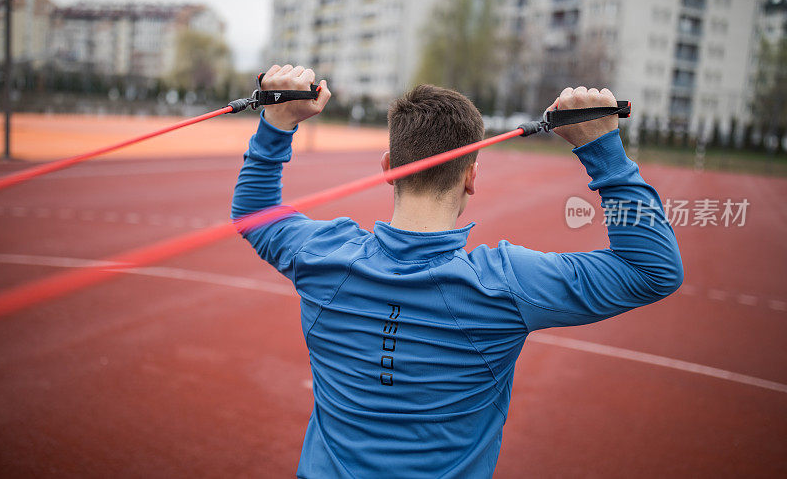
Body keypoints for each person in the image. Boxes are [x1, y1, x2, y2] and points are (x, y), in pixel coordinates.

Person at [231, 64, 683, 478]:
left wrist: (276, 123)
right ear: (471, 178)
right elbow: (651, 269)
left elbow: (254, 211)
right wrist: (602, 149)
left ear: (389, 169)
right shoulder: (504, 284)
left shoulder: (320, 254)